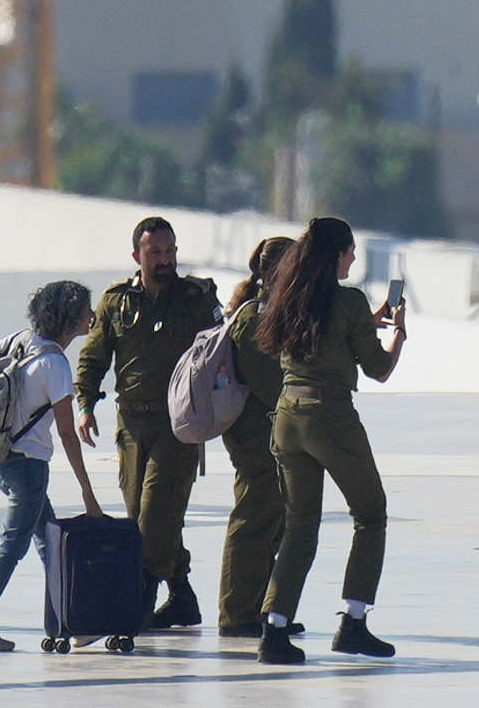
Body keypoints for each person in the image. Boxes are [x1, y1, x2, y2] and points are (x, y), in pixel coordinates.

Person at [254, 216, 405, 665]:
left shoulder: (291, 296)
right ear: (336, 255)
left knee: (301, 525)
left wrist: (365, 321)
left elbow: (326, 335)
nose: (354, 257)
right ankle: (354, 622)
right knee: (370, 515)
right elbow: (378, 367)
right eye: (349, 251)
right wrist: (397, 336)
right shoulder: (350, 301)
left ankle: (275, 628)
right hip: (331, 417)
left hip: (287, 416)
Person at [75, 216, 221, 630]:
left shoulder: (195, 298)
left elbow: (223, 350)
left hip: (179, 424)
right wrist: (85, 404)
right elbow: (94, 356)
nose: (165, 260)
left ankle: (139, 598)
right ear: (137, 256)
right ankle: (182, 594)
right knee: (143, 512)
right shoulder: (117, 302)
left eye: (170, 251)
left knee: (155, 514)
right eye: (155, 252)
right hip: (132, 427)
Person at [0, 280, 106, 651]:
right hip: (29, 468)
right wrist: (89, 494)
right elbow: (68, 435)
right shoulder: (56, 364)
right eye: (87, 310)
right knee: (14, 544)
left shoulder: (21, 340)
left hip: (3, 458)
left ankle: (75, 619)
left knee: (49, 542)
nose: (93, 315)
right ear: (71, 319)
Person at [218, 237, 293, 638]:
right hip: (255, 437)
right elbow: (270, 383)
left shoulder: (274, 315)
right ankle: (236, 613)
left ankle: (261, 606)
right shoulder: (253, 319)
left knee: (273, 522)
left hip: (274, 436)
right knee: (251, 521)